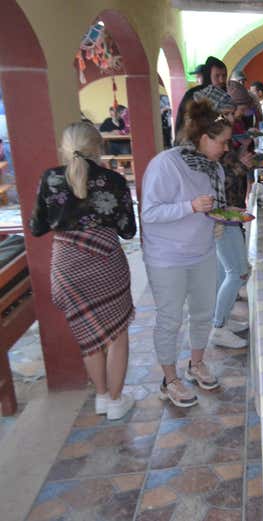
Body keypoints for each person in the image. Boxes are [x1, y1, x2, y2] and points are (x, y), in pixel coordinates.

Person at [30, 122, 136, 420]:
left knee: (87, 332)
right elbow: (128, 230)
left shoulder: (49, 178)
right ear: (98, 148)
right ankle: (116, 401)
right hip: (105, 264)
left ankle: (102, 397)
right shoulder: (113, 180)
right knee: (117, 333)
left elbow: (37, 227)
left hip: (66, 268)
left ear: (65, 148)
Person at [141, 99, 231, 408]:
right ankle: (170, 380)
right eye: (222, 142)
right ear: (204, 138)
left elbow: (214, 206)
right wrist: (189, 207)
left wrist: (219, 220)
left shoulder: (214, 168)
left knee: (203, 312)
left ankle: (196, 363)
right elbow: (149, 212)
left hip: (202, 251)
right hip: (166, 257)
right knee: (170, 319)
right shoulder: (166, 164)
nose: (225, 148)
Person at [209, 81, 254, 349]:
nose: (232, 117)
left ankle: (221, 320)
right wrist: (240, 165)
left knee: (223, 271)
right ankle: (218, 326)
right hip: (223, 218)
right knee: (237, 272)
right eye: (226, 114)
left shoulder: (218, 146)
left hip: (227, 213)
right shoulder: (207, 152)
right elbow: (218, 187)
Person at [174, 56, 228, 138]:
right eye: (217, 76)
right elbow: (191, 122)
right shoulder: (194, 95)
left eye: (224, 76)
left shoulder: (225, 95)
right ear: (208, 75)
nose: (221, 80)